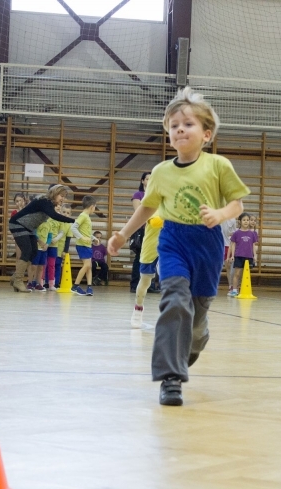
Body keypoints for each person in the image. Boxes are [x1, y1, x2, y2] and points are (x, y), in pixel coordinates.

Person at [107, 86, 249, 406]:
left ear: (206, 134)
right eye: (174, 126)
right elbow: (147, 206)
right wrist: (123, 234)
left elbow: (237, 206)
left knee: (196, 322)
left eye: (188, 124)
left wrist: (219, 213)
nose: (180, 129)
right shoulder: (160, 172)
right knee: (174, 299)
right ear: (168, 133)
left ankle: (193, 343)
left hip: (208, 244)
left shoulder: (218, 166)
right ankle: (170, 378)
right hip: (173, 240)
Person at [8, 185, 75, 293]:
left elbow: (34, 223)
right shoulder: (45, 202)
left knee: (34, 252)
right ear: (54, 193)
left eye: (64, 196)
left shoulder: (48, 204)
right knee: (27, 251)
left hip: (27, 227)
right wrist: (73, 221)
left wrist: (38, 239)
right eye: (61, 196)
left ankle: (16, 277)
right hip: (17, 224)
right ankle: (18, 280)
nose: (63, 199)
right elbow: (55, 216)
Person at [131, 214, 163, 328]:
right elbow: (155, 222)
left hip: (170, 249)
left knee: (172, 280)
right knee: (145, 281)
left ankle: (171, 314)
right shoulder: (154, 205)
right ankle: (138, 308)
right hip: (150, 249)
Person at [71, 196, 98, 296]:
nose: (94, 209)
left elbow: (86, 232)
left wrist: (93, 238)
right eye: (95, 207)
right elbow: (73, 228)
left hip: (87, 245)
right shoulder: (83, 216)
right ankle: (75, 286)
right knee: (87, 265)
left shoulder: (86, 217)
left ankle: (89, 287)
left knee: (89, 267)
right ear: (91, 206)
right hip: (82, 245)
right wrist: (82, 238)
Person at [228, 212, 258, 297]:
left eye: (247, 220)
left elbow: (253, 245)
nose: (246, 222)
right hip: (238, 256)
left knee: (245, 275)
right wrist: (233, 256)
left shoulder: (252, 234)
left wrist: (254, 255)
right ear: (240, 221)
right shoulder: (236, 233)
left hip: (248, 257)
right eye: (244, 220)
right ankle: (234, 290)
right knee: (237, 274)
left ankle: (244, 290)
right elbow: (233, 244)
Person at [130, 172, 150, 292]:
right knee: (139, 257)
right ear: (142, 181)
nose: (149, 181)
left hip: (154, 230)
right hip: (142, 229)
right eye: (147, 178)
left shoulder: (156, 195)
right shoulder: (138, 194)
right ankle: (135, 284)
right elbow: (138, 211)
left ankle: (149, 285)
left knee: (151, 258)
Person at [221, 216, 238, 294]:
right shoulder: (222, 219)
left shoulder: (233, 220)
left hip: (232, 245)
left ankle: (235, 286)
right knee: (227, 267)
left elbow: (234, 232)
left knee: (234, 268)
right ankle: (230, 286)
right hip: (224, 245)